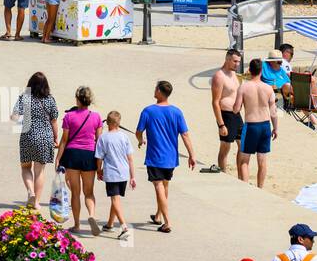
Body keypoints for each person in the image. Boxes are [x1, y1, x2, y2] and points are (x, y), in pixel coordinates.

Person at [135, 80, 197, 234]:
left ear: (160, 92)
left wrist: (140, 140)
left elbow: (138, 131)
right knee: (165, 185)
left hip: (155, 156)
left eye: (156, 89)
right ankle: (158, 215)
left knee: (158, 186)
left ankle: (167, 222)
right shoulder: (176, 112)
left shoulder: (148, 111)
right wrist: (191, 154)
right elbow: (185, 134)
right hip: (170, 157)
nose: (154, 91)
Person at [54, 86, 103, 234]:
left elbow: (64, 140)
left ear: (77, 99)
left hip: (73, 155)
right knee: (89, 192)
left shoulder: (69, 117)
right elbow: (99, 141)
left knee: (75, 192)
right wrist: (100, 164)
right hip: (89, 155)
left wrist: (58, 159)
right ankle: (92, 215)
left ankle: (76, 225)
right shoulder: (96, 117)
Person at [13, 72, 59, 212]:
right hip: (45, 137)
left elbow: (14, 116)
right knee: (40, 172)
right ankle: (37, 202)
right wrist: (56, 138)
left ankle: (30, 192)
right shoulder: (50, 100)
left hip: (28, 136)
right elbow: (54, 121)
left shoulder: (25, 98)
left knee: (25, 167)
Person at [234, 57, 277, 189]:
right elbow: (274, 112)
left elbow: (236, 109)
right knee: (262, 160)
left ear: (249, 70)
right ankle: (260, 188)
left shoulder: (243, 87)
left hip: (251, 125)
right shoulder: (268, 88)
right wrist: (275, 128)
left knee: (244, 161)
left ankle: (246, 188)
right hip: (265, 125)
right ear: (261, 71)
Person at [95, 111, 135, 239]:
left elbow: (99, 157)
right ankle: (110, 223)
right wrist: (132, 176)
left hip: (112, 173)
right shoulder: (124, 137)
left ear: (107, 122)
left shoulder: (103, 138)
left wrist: (98, 170)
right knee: (116, 198)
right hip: (123, 173)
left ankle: (124, 227)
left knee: (114, 199)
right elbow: (130, 158)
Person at [208, 48, 243, 173]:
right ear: (227, 59)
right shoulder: (219, 76)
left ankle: (241, 172)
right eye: (235, 61)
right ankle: (223, 172)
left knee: (242, 144)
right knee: (225, 146)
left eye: (238, 62)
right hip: (226, 115)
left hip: (237, 114)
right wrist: (221, 124)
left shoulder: (233, 74)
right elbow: (215, 102)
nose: (237, 64)